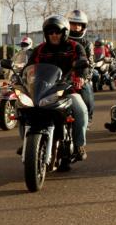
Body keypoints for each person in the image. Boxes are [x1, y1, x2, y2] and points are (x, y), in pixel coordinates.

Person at [23, 15, 90, 160]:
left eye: (57, 32)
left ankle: (79, 144)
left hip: (66, 89)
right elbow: (29, 67)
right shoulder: (40, 49)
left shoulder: (74, 47)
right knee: (23, 108)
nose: (54, 35)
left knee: (81, 110)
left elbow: (83, 61)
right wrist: (21, 77)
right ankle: (27, 143)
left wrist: (80, 77)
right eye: (50, 32)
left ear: (64, 32)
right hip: (42, 90)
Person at [67, 9, 95, 120]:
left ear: (83, 27)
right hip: (62, 76)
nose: (76, 27)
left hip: (80, 77)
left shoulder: (87, 44)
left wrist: (83, 78)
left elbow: (91, 64)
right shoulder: (62, 40)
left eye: (79, 24)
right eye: (73, 24)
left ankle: (88, 118)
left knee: (87, 92)